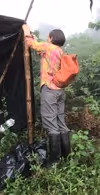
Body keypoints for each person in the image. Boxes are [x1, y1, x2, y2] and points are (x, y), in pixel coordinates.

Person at [23, 25, 71, 167]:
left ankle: (54, 162)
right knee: (60, 122)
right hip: (60, 91)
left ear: (51, 38)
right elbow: (41, 52)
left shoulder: (48, 47)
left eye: (48, 37)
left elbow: (30, 44)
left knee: (50, 122)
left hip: (49, 89)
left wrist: (27, 33)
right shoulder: (59, 51)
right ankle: (66, 158)